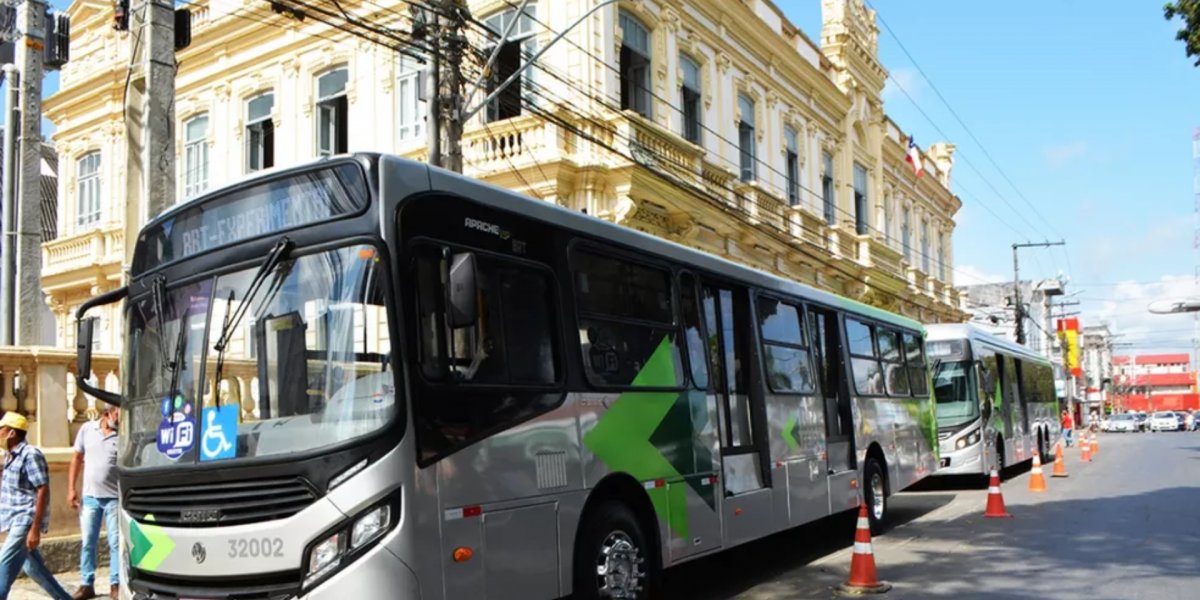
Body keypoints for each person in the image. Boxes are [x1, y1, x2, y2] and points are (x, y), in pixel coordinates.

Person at [0, 412, 72, 600]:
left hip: (24, 520)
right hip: (13, 519)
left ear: (12, 433)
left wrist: (35, 528)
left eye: (2, 430)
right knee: (35, 569)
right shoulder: (10, 456)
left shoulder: (30, 455)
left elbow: (42, 489)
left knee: (3, 567)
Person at [68, 405, 120, 600]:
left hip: (114, 497)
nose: (120, 417)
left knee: (115, 543)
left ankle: (115, 584)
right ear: (108, 412)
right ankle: (86, 583)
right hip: (90, 497)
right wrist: (71, 488)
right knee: (88, 541)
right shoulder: (87, 429)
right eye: (118, 413)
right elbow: (77, 458)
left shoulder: (122, 435)